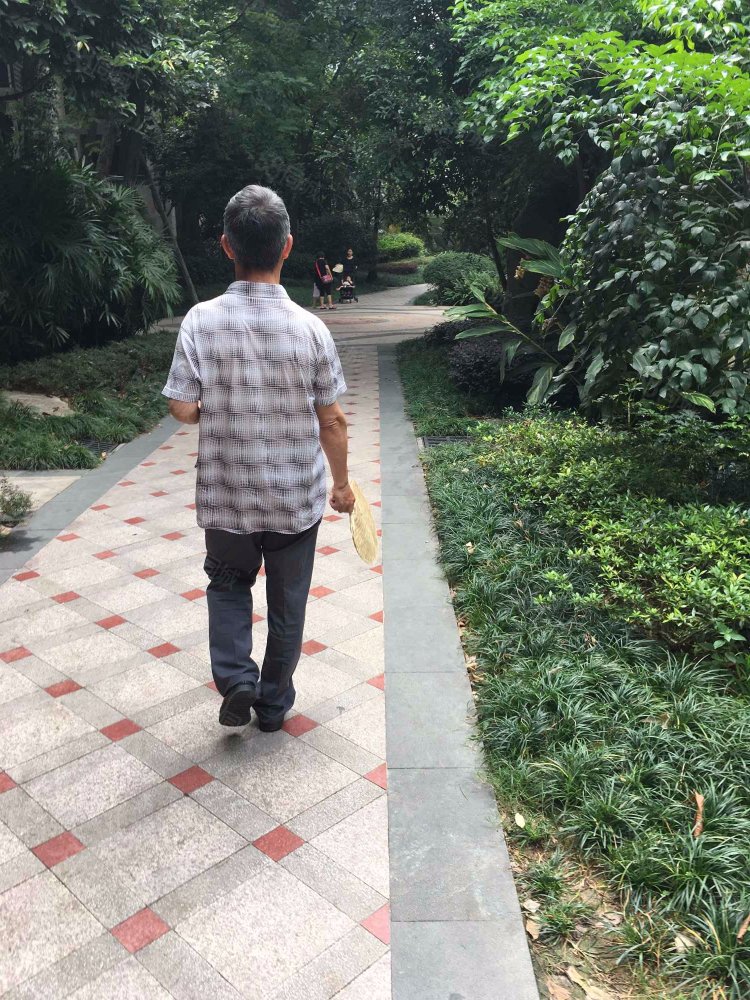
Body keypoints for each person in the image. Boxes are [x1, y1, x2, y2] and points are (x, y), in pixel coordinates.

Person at [162, 185, 355, 732]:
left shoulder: (199, 321)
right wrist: (342, 486)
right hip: (294, 500)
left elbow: (181, 405)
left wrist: (210, 409)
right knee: (288, 603)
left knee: (227, 584)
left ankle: (236, 680)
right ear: (287, 246)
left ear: (227, 246)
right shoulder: (311, 328)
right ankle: (272, 706)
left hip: (227, 497)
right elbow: (333, 421)